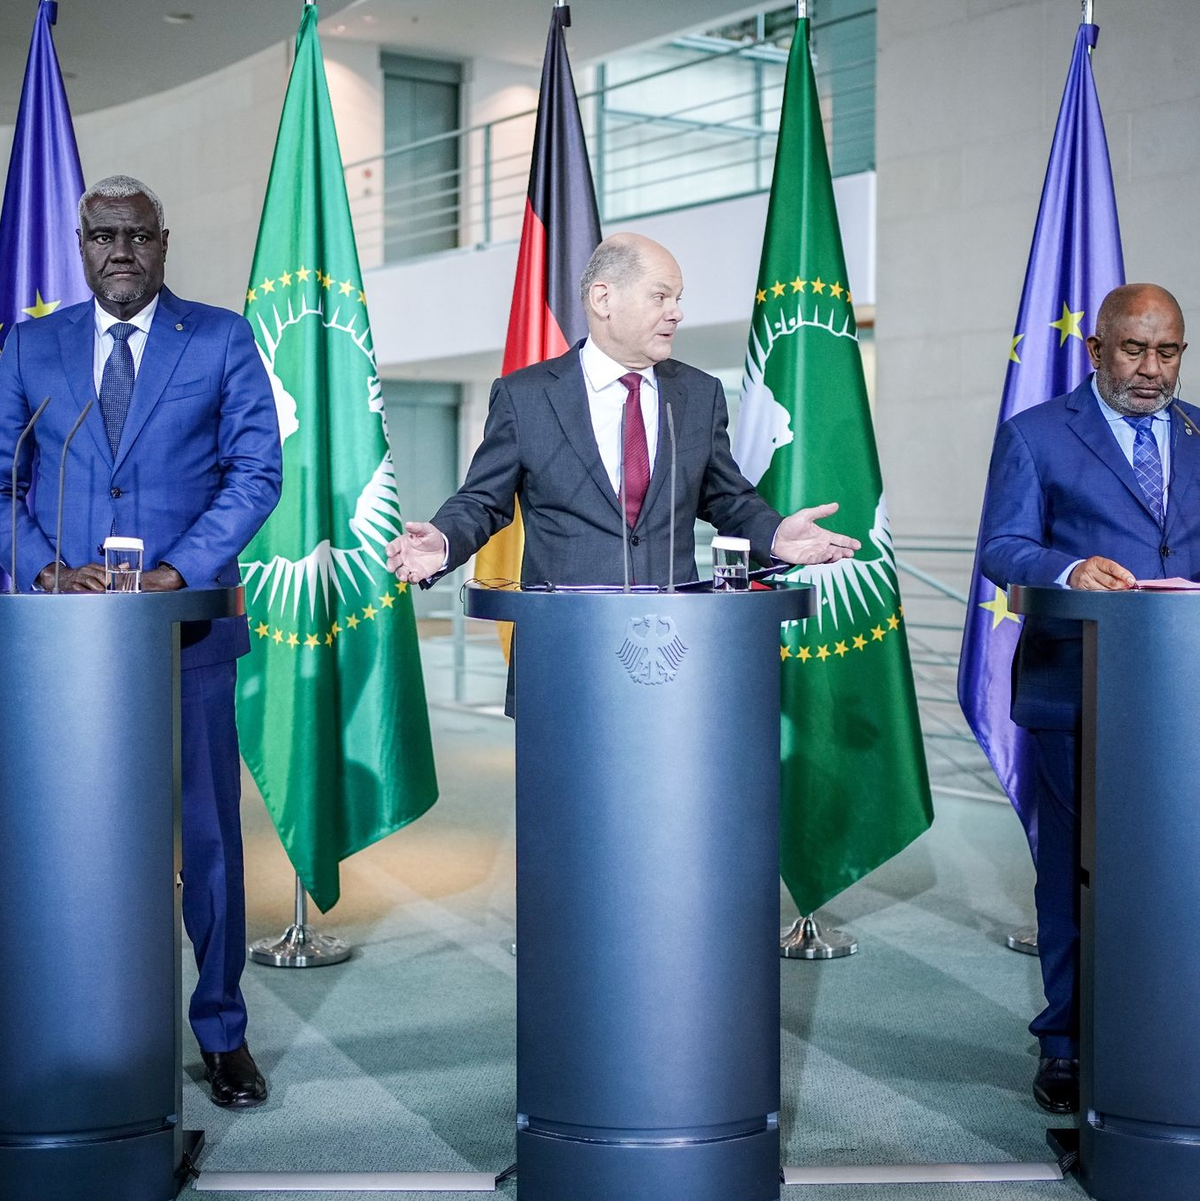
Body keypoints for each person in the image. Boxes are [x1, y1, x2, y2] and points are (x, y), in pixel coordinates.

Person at [0, 175, 282, 1107]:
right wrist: (45, 569)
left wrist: (181, 568)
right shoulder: (30, 345)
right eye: (102, 236)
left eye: (138, 235)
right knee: (63, 832)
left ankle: (221, 1030)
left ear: (164, 241)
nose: (120, 251)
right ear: (80, 247)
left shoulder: (223, 337)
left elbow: (255, 469)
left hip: (184, 632)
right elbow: (4, 481)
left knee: (206, 837)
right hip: (65, 644)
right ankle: (73, 1024)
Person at [979, 282, 1195, 1114]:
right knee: (1076, 874)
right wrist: (1068, 570)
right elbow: (1002, 545)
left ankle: (1171, 1025)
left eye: (1167, 351)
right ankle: (1065, 1044)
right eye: (1134, 349)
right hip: (1077, 692)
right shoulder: (1036, 436)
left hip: (1184, 698)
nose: (1151, 369)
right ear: (1097, 348)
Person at [386, 232, 859, 603]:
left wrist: (776, 536)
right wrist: (443, 540)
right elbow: (484, 502)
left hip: (675, 643)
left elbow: (728, 501)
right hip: (564, 645)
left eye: (678, 298)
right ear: (603, 299)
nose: (676, 313)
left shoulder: (698, 393)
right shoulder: (524, 396)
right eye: (661, 296)